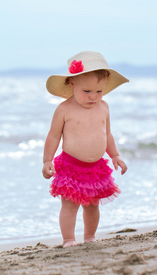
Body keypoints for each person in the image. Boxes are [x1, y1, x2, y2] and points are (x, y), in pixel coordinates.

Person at [42, 51, 129, 247]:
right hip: (70, 166)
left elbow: (106, 135)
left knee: (92, 206)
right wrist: (47, 160)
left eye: (98, 91)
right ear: (72, 84)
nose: (93, 97)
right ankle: (69, 239)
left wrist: (114, 155)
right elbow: (54, 136)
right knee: (70, 205)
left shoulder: (104, 107)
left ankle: (90, 236)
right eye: (87, 91)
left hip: (96, 168)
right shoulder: (64, 109)